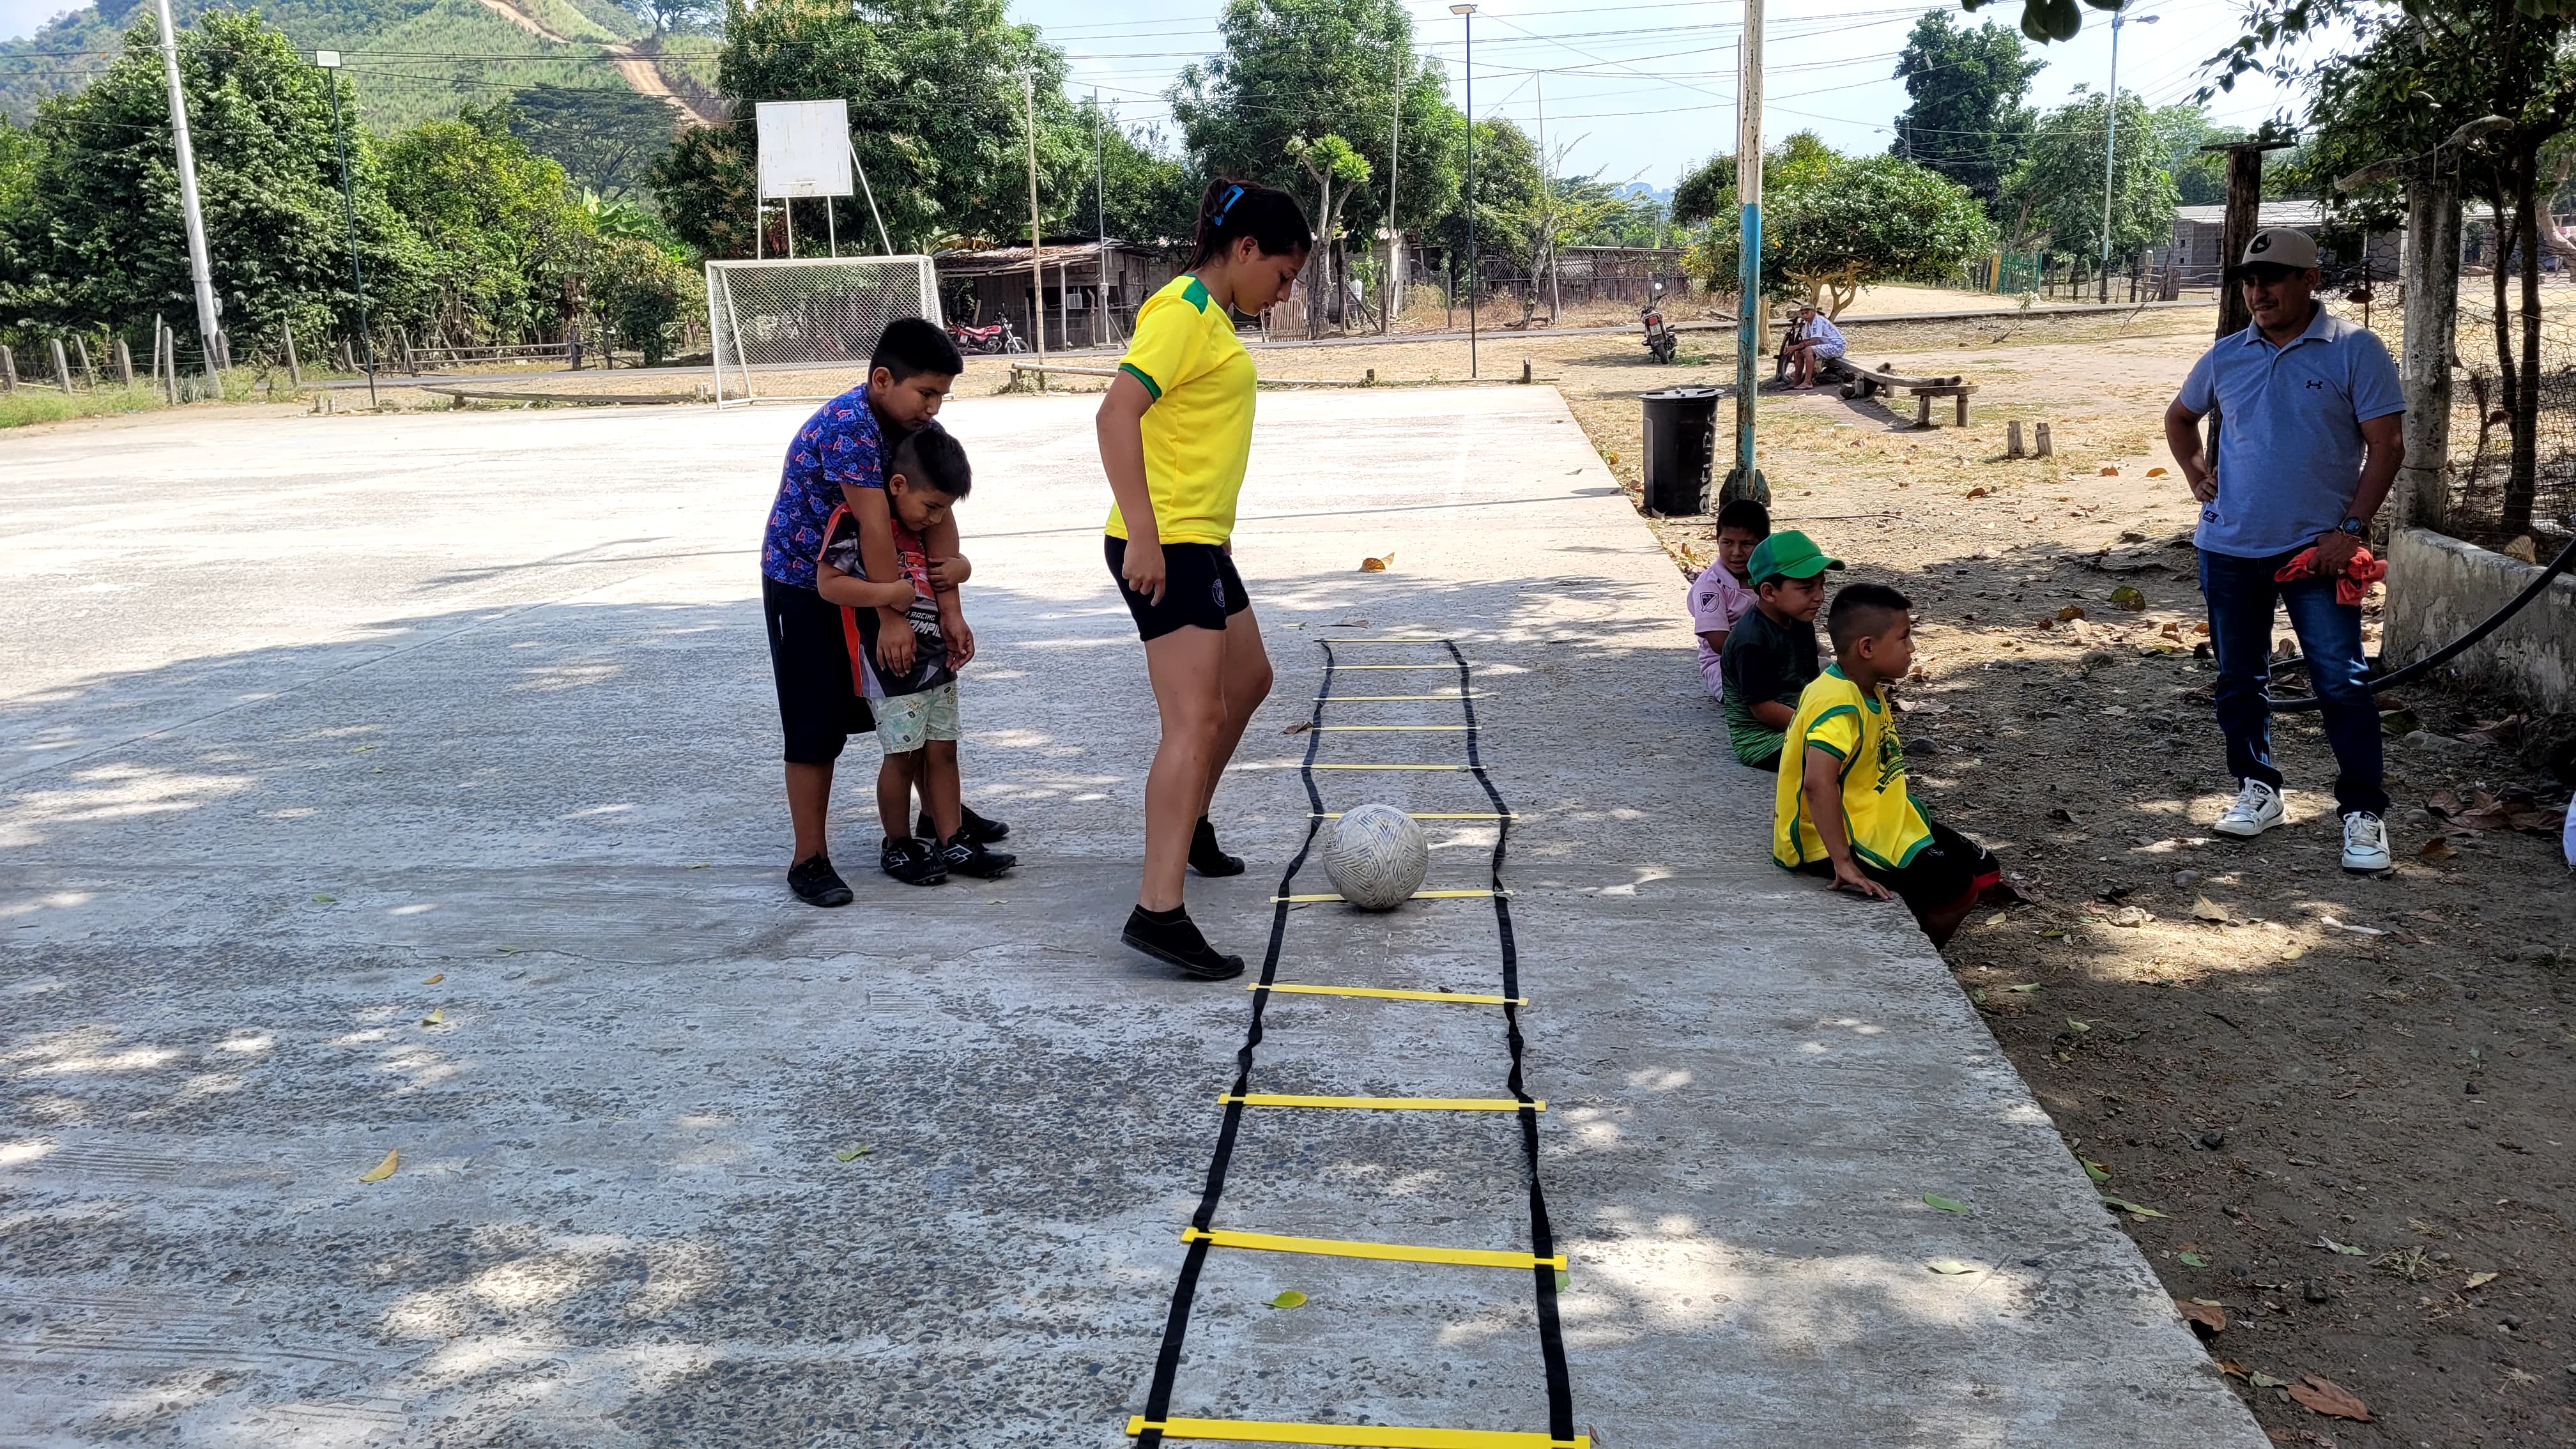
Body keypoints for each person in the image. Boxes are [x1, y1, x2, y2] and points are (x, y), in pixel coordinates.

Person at [1094, 178, 1311, 981]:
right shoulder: (1183, 312)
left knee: (1249, 680)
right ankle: (1158, 910)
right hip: (1167, 544)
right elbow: (1115, 414)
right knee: (1194, 718)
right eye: (1282, 275)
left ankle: (1191, 825)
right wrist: (1146, 537)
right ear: (1245, 248)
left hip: (1201, 541)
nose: (1283, 295)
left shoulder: (1209, 315)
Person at [2163, 227, 2405, 873]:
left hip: (2316, 552)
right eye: (2250, 281)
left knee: (2341, 680)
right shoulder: (2226, 356)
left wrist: (2350, 530)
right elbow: (2180, 417)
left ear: (2310, 280)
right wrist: (2196, 475)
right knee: (2239, 678)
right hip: (2229, 546)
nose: (2258, 292)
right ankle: (2257, 788)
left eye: (2272, 280)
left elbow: (2388, 446)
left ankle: (2363, 813)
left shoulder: (2354, 349)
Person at [759, 319, 1000, 908]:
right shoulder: (849, 428)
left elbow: (939, 513)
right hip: (810, 584)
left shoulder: (919, 429)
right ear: (883, 380)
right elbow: (872, 525)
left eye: (942, 395)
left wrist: (950, 609)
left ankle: (939, 816)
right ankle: (809, 858)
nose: (934, 407)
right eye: (926, 392)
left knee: (913, 701)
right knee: (816, 721)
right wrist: (894, 616)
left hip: (885, 581)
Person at [814, 424, 1016, 885]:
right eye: (931, 507)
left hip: (936, 657)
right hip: (890, 664)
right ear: (898, 485)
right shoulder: (855, 521)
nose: (935, 518)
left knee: (944, 750)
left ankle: (951, 838)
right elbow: (829, 584)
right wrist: (887, 595)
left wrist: (963, 570)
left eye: (944, 510)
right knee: (902, 756)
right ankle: (898, 843)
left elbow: (947, 570)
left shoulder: (926, 524)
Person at [1774, 583, 2002, 947]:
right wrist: (1843, 862)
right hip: (1834, 839)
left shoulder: (1863, 682)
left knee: (1983, 867)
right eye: (1904, 637)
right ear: (1867, 648)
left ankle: (1918, 909)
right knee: (1956, 890)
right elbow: (1817, 784)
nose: (1912, 648)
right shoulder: (1839, 705)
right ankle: (1918, 956)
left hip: (1880, 816)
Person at [1719, 530, 1841, 769]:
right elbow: (1762, 709)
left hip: (1801, 717)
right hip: (1763, 740)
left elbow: (1811, 679)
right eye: (1807, 589)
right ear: (1769, 592)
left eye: (1822, 585)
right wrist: (1817, 725)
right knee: (1836, 753)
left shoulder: (1799, 620)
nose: (1820, 597)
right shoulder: (1751, 640)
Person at [1688, 498, 1768, 700]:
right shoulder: (1710, 586)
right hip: (1724, 665)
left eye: (1747, 544)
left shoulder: (1771, 577)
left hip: (1776, 656)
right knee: (1755, 693)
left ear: (1764, 544)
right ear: (1717, 540)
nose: (1736, 553)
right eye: (1728, 543)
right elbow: (1719, 643)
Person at [1783, 304, 1846, 390]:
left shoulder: (1818, 320)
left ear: (1814, 312)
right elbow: (1806, 341)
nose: (1805, 315)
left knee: (1808, 350)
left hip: (1837, 347)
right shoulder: (1808, 324)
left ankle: (1808, 382)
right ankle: (1797, 381)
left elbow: (1813, 342)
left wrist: (1796, 347)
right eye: (1803, 314)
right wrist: (1795, 347)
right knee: (1799, 352)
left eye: (1807, 313)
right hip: (1825, 346)